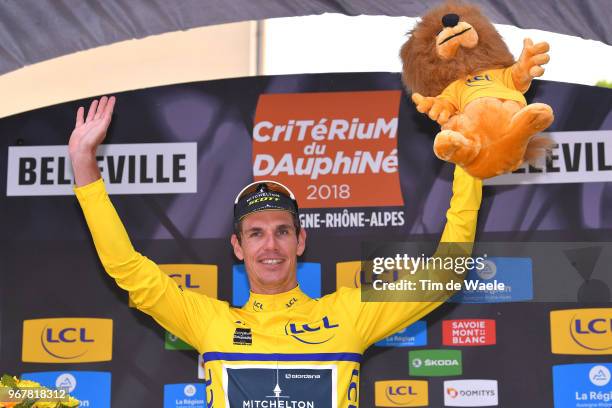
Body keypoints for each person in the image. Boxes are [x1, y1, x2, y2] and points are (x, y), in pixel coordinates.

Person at [70, 96, 482, 406]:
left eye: (282, 231)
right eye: (255, 233)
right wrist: (84, 166)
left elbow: (446, 275)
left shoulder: (347, 315)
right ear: (238, 246)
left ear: (300, 241)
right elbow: (126, 268)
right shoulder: (210, 323)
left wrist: (471, 166)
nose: (270, 245)